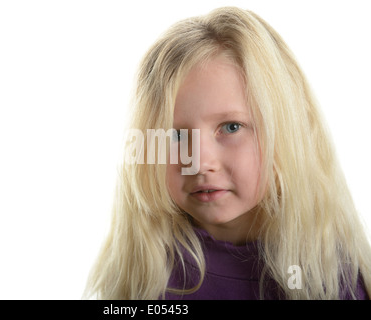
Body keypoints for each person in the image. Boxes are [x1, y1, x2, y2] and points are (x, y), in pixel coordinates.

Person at [84, 6, 371, 299]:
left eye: (231, 127)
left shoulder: (328, 278)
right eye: (176, 135)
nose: (200, 163)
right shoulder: (144, 270)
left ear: (287, 134)